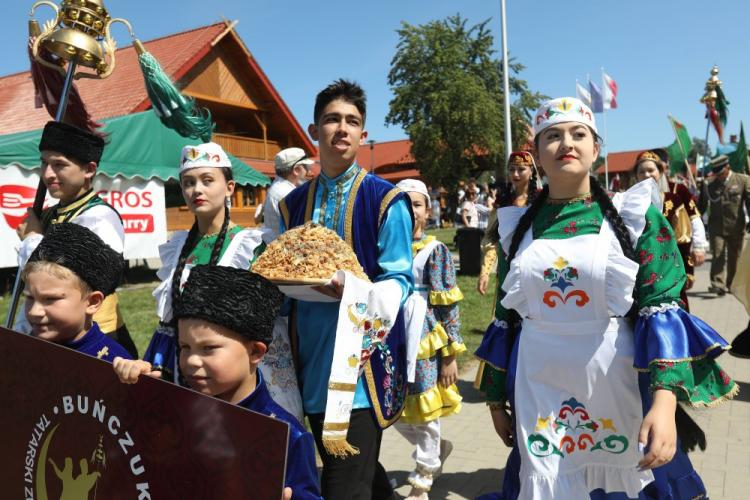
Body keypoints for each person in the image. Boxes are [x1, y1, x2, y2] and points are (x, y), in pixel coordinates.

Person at [475, 97, 737, 499]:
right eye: (553, 136)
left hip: (617, 385)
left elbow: (660, 309)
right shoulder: (516, 228)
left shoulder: (634, 215)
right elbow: (505, 316)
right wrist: (495, 399)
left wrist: (665, 404)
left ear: (595, 149)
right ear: (537, 154)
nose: (567, 143)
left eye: (579, 134)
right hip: (537, 386)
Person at [279, 79, 413, 500]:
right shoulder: (291, 205)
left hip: (360, 367)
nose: (342, 128)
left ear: (363, 134)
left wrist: (353, 288)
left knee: (342, 488)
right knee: (363, 479)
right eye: (332, 119)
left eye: (352, 121)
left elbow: (399, 279)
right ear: (313, 130)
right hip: (308, 359)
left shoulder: (387, 199)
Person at [113, 265, 321, 499]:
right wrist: (133, 390)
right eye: (184, 347)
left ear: (255, 351)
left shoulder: (285, 436)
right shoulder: (175, 410)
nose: (191, 360)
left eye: (208, 349)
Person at [142, 142, 301, 420]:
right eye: (189, 183)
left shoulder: (251, 245)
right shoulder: (177, 248)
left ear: (229, 187)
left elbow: (271, 318)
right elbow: (167, 324)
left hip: (242, 378)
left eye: (207, 181)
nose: (197, 190)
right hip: (189, 371)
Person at [15, 121, 137, 358]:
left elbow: (82, 279)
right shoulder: (51, 213)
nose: (48, 174)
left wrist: (31, 239)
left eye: (59, 164)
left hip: (91, 339)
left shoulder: (99, 217)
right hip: (53, 332)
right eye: (44, 163)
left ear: (89, 169)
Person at [394, 179, 464, 500]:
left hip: (423, 338)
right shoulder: (385, 247)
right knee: (391, 407)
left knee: (426, 409)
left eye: (417, 204)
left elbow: (448, 304)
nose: (410, 211)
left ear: (429, 210)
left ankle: (422, 480)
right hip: (392, 336)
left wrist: (450, 353)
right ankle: (435, 450)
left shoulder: (435, 251)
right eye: (403, 204)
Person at [22, 223, 132, 362]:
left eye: (50, 299)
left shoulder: (113, 361)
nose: (34, 311)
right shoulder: (21, 349)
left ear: (92, 302)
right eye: (30, 297)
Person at [633, 149, 708, 309]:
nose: (646, 175)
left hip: (669, 263)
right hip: (641, 265)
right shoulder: (629, 201)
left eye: (651, 170)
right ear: (636, 175)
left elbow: (689, 227)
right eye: (642, 171)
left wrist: (698, 248)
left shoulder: (675, 196)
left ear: (661, 171)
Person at [477, 152, 539, 296]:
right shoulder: (503, 202)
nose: (515, 174)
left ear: (531, 171)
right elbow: (492, 238)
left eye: (521, 169)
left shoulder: (542, 199)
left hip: (535, 265)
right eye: (511, 169)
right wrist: (485, 273)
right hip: (507, 266)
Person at [698, 154, 750, 295]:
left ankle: (732, 284)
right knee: (718, 254)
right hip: (716, 226)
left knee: (735, 257)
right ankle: (717, 284)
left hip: (736, 226)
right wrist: (696, 219)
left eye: (720, 173)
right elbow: (701, 205)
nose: (718, 176)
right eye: (716, 173)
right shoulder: (710, 184)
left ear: (727, 167)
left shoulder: (742, 180)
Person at [263, 148, 314, 241]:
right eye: (306, 167)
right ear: (296, 170)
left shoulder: (278, 187)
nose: (309, 172)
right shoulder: (288, 194)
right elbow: (301, 229)